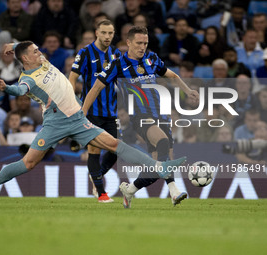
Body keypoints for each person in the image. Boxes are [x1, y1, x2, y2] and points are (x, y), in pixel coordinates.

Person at [0, 40, 187, 208]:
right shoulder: (27, 79)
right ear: (26, 59)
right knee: (28, 163)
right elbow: (19, 91)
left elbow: (24, 49)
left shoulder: (42, 60)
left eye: (38, 49)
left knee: (113, 143)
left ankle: (158, 167)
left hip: (77, 119)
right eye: (35, 51)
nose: (40, 52)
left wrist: (13, 46)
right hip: (55, 122)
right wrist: (6, 87)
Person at [81, 26, 199, 208]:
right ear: (128, 42)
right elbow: (96, 88)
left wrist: (188, 90)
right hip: (140, 117)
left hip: (161, 115)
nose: (142, 47)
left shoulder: (152, 59)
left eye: (145, 43)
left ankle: (130, 190)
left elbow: (172, 75)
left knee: (157, 166)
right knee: (162, 143)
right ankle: (174, 191)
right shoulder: (117, 65)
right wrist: (82, 113)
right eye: (139, 43)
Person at [69, 19, 121, 202]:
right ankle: (101, 193)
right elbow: (73, 77)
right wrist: (71, 101)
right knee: (94, 150)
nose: (107, 36)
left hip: (111, 111)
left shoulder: (116, 53)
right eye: (104, 33)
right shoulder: (85, 53)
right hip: (90, 110)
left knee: (116, 150)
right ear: (97, 33)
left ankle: (96, 175)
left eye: (111, 33)